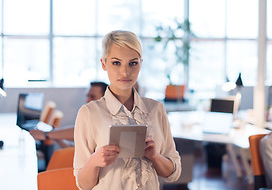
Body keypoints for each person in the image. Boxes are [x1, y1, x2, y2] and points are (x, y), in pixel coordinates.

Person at [73, 30, 181, 190]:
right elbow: (83, 184)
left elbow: (173, 172)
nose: (125, 72)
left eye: (133, 63)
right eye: (116, 63)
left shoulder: (156, 109)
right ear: (104, 63)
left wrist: (154, 156)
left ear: (140, 63)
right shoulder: (89, 113)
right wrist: (95, 161)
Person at [29, 81, 108, 145]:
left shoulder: (107, 119)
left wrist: (46, 134)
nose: (87, 100)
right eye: (87, 96)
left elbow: (83, 132)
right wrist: (56, 137)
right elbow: (71, 149)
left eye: (92, 97)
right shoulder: (92, 117)